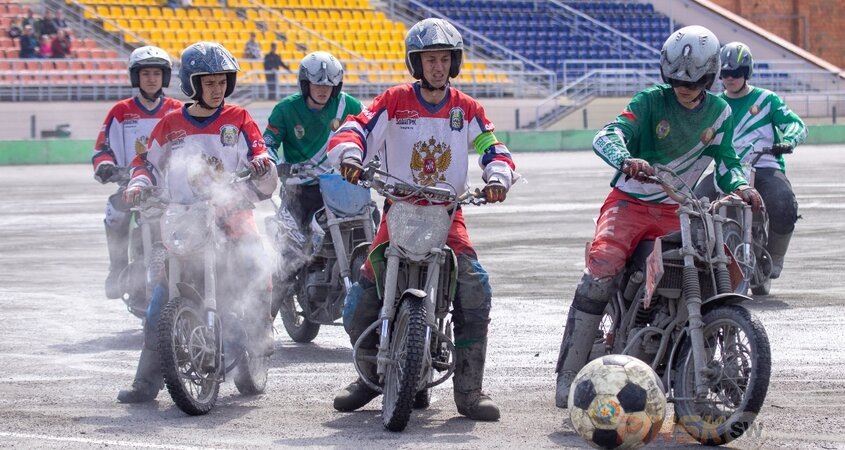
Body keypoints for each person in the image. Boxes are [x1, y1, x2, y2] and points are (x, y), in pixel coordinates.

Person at [553, 25, 764, 408]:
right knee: (603, 264)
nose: (684, 86)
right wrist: (624, 158)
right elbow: (608, 134)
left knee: (723, 269)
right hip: (629, 203)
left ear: (711, 75)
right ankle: (567, 375)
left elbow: (728, 163)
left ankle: (701, 357)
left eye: (696, 79)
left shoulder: (719, 113)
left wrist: (742, 186)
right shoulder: (650, 101)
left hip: (678, 209)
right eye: (676, 78)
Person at [327, 18, 516, 422]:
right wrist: (350, 156)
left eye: (444, 59)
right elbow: (356, 128)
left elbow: (492, 146)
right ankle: (369, 375)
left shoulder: (466, 108)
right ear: (417, 62)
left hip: (448, 215)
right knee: (362, 296)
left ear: (454, 62)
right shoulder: (394, 101)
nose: (437, 66)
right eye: (429, 59)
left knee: (474, 287)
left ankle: (469, 391)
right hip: (398, 210)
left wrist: (498, 176)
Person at [118, 41, 277, 403]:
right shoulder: (171, 123)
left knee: (256, 262)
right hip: (186, 219)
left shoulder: (239, 119)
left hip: (231, 214)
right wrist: (139, 183)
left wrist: (260, 166)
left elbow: (259, 151)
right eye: (209, 82)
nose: (217, 88)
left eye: (222, 81)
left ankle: (260, 330)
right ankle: (146, 383)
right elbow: (145, 162)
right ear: (192, 83)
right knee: (161, 299)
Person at [262, 50, 363, 317]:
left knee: (369, 231)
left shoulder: (348, 106)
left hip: (340, 188)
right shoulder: (285, 110)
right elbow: (268, 144)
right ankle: (263, 323)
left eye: (328, 85)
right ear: (305, 84)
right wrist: (271, 161)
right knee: (291, 253)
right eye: (317, 84)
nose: (322, 90)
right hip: (300, 191)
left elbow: (370, 131)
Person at [696, 41, 807, 279]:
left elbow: (796, 125)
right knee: (695, 205)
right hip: (727, 169)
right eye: (725, 74)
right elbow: (700, 136)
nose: (730, 78)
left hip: (764, 166)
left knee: (784, 204)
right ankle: (700, 262)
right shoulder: (714, 105)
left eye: (736, 73)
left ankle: (776, 255)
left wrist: (789, 141)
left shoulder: (767, 99)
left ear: (747, 73)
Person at [91, 46, 181, 301]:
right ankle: (117, 267)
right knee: (114, 212)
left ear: (164, 77)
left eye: (156, 73)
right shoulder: (120, 111)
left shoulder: (177, 110)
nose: (151, 78)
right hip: (131, 186)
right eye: (145, 74)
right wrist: (106, 167)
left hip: (170, 189)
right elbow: (102, 149)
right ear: (136, 78)